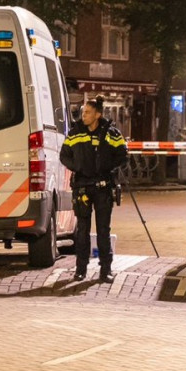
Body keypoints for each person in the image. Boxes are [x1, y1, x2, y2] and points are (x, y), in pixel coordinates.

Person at [61, 97, 128, 283]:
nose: (84, 115)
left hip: (103, 188)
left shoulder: (111, 134)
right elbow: (64, 155)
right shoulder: (75, 133)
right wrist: (78, 167)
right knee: (82, 231)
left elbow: (123, 155)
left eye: (88, 112)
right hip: (82, 187)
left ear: (98, 114)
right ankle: (80, 270)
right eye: (83, 112)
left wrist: (108, 169)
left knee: (103, 231)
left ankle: (105, 270)